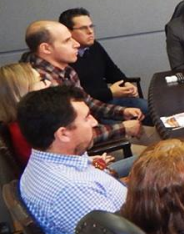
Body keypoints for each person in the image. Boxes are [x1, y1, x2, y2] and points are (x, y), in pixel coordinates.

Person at [18, 86, 128, 234]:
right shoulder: (72, 189)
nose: (94, 122)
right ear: (63, 134)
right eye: (86, 118)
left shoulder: (45, 160)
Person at [0, 62, 134, 176]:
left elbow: (63, 160)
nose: (48, 82)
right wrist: (97, 166)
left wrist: (90, 161)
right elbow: (66, 171)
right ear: (21, 91)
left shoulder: (21, 125)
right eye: (41, 80)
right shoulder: (32, 127)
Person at [23, 20, 143, 145]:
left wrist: (122, 111)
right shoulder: (41, 83)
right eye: (67, 40)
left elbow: (88, 102)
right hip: (82, 152)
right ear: (46, 48)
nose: (76, 44)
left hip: (91, 137)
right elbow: (73, 136)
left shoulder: (66, 69)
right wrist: (123, 128)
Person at [59, 7, 151, 122]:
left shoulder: (94, 46)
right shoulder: (64, 57)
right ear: (68, 32)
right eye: (83, 28)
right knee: (121, 126)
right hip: (90, 110)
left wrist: (126, 83)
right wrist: (110, 92)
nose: (90, 31)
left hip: (109, 99)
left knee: (151, 109)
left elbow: (111, 70)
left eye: (91, 26)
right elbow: (78, 97)